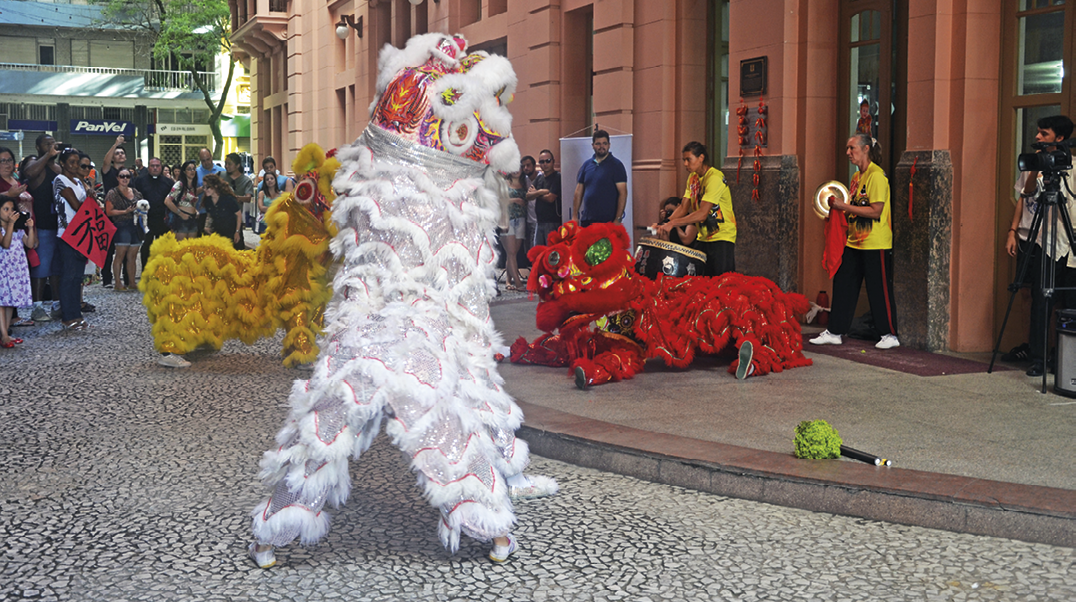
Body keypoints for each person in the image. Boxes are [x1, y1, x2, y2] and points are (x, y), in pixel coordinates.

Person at [1003, 114, 1076, 377]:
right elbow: (1028, 193)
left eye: (1044, 134)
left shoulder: (1074, 168)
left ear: (1060, 138)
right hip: (1045, 242)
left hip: (1070, 245)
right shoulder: (1035, 165)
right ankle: (1037, 357)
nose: (1037, 137)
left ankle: (1065, 357)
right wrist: (1035, 167)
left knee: (1069, 302)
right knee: (1039, 302)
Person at [811, 133, 899, 349]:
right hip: (854, 241)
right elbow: (853, 209)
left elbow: (876, 211)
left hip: (875, 242)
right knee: (844, 284)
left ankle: (889, 334)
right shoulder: (856, 177)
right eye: (848, 148)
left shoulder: (876, 176)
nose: (848, 153)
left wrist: (845, 207)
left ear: (866, 148)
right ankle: (835, 330)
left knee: (878, 288)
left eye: (852, 148)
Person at [653, 142, 736, 275]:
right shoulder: (692, 178)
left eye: (688, 159)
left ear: (701, 158)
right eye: (684, 160)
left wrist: (673, 223)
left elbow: (702, 214)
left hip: (722, 236)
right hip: (703, 237)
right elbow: (683, 208)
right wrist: (663, 223)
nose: (685, 164)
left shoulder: (714, 177)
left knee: (721, 282)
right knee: (700, 280)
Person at [22, 136, 63, 323]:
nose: (52, 146)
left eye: (53, 143)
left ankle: (56, 304)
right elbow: (30, 174)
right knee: (40, 267)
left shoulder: (56, 166)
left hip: (58, 225)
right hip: (41, 225)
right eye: (47, 144)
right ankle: (37, 307)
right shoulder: (33, 161)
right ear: (38, 146)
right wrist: (47, 155)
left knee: (56, 268)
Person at [52, 148, 89, 331]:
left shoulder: (78, 182)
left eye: (77, 162)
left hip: (81, 233)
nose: (75, 166)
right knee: (68, 276)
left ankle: (77, 314)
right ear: (62, 164)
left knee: (77, 277)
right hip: (67, 233)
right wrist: (88, 203)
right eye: (71, 162)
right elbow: (77, 205)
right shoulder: (60, 180)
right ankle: (67, 316)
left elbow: (85, 204)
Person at [0, 196, 36, 347]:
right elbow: (6, 244)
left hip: (15, 268)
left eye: (11, 209)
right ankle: (4, 335)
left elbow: (30, 244)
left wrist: (30, 228)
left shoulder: (17, 229)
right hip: (3, 268)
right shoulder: (3, 228)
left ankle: (6, 332)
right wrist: (10, 225)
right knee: (1, 302)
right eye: (5, 209)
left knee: (9, 302)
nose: (9, 213)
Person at [572, 129, 628, 227]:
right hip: (587, 220)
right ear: (593, 145)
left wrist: (618, 219)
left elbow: (623, 193)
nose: (601, 146)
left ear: (609, 145)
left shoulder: (616, 165)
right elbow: (578, 191)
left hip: (608, 222)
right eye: (598, 143)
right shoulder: (586, 165)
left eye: (604, 143)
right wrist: (574, 216)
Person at [104, 167, 143, 291]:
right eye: (122, 176)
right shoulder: (112, 193)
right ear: (117, 178)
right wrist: (125, 211)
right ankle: (117, 283)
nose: (125, 178)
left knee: (132, 255)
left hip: (136, 224)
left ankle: (132, 282)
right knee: (120, 255)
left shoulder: (136, 192)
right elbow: (108, 212)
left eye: (127, 176)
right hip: (121, 225)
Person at [133, 157, 175, 270]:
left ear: (161, 167)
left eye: (157, 166)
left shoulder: (168, 182)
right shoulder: (140, 181)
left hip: (163, 220)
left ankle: (163, 272)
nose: (155, 168)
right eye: (152, 166)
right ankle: (146, 272)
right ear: (148, 167)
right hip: (146, 221)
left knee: (164, 248)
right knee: (146, 247)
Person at [100, 134, 129, 288]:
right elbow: (105, 162)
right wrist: (115, 143)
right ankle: (106, 279)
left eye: (122, 153)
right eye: (117, 153)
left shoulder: (128, 173)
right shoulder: (108, 171)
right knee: (109, 248)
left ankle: (126, 277)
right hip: (110, 215)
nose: (120, 155)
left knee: (125, 246)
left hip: (125, 214)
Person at [201, 174, 243, 250]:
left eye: (208, 187)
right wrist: (207, 226)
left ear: (216, 186)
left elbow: (239, 215)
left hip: (231, 231)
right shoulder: (208, 200)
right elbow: (210, 214)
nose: (205, 189)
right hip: (218, 232)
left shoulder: (228, 198)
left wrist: (237, 232)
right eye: (203, 187)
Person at [501, 170, 528, 291]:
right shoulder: (504, 183)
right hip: (507, 219)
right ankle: (518, 282)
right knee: (511, 252)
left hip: (521, 219)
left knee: (512, 254)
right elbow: (499, 201)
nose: (516, 171)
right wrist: (516, 200)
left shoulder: (525, 182)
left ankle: (508, 280)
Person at [165, 161, 200, 242]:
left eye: (194, 169)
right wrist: (181, 214)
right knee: (181, 249)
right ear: (184, 171)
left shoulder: (193, 186)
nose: (192, 171)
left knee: (191, 248)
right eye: (189, 169)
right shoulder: (179, 184)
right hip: (181, 219)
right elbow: (167, 201)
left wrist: (196, 211)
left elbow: (190, 203)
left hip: (193, 218)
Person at [532, 149, 561, 247]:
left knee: (551, 255)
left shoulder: (557, 177)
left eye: (547, 161)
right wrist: (541, 192)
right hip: (539, 221)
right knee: (537, 254)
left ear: (553, 161)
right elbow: (527, 195)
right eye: (541, 161)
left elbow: (550, 198)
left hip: (553, 222)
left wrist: (536, 193)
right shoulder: (539, 178)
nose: (545, 164)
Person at [223, 152, 254, 240]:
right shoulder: (221, 176)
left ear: (237, 165)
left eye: (229, 164)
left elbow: (248, 198)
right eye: (225, 164)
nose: (226, 166)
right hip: (221, 217)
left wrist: (235, 198)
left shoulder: (246, 181)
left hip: (236, 219)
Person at [195, 148, 225, 234]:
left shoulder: (221, 171)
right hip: (202, 211)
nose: (206, 162)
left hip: (219, 211)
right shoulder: (196, 172)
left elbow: (226, 190)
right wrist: (205, 187)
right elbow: (192, 193)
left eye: (208, 159)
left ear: (211, 157)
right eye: (203, 160)